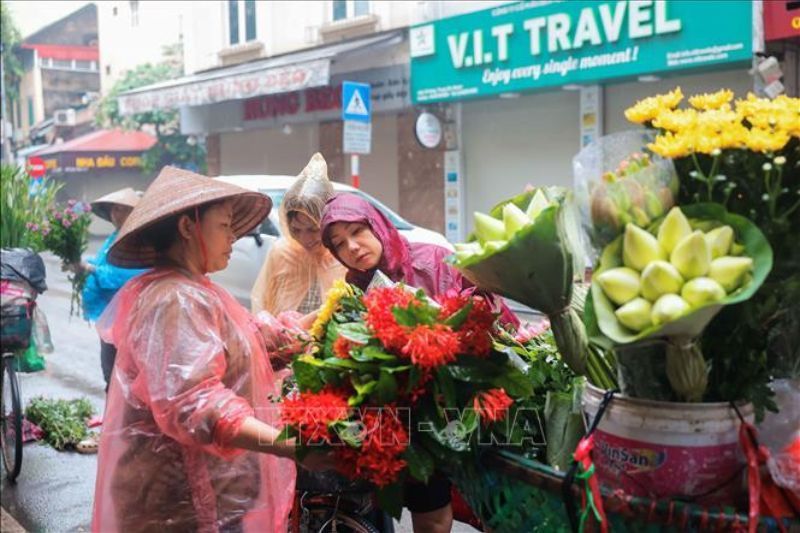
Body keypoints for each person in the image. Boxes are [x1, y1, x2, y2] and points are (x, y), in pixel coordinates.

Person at [92, 166, 330, 533]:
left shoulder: (194, 289)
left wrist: (322, 315)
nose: (234, 236)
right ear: (188, 227)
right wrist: (294, 446)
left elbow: (248, 344)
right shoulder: (175, 298)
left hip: (210, 499)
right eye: (224, 225)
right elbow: (194, 404)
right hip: (185, 505)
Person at [320, 193, 518, 533]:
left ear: (378, 225)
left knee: (494, 508)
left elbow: (491, 317)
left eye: (357, 231)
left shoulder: (435, 258)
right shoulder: (354, 288)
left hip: (470, 402)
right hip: (416, 419)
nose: (352, 247)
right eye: (339, 243)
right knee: (431, 516)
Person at [250, 153, 346, 316]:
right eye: (295, 230)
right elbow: (262, 304)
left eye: (313, 229)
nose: (304, 239)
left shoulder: (343, 254)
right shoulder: (281, 254)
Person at [80, 188, 146, 392]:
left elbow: (125, 275)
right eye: (114, 210)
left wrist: (91, 269)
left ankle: (121, 419)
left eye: (121, 209)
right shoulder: (115, 236)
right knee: (110, 371)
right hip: (110, 317)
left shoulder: (137, 239)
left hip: (128, 318)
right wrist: (82, 264)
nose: (116, 214)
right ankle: (113, 417)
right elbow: (102, 262)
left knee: (123, 374)